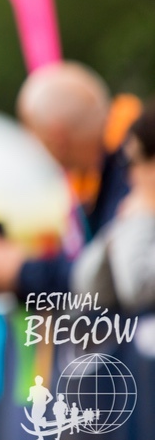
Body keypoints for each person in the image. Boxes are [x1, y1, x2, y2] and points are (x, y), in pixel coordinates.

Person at [0, 61, 131, 297]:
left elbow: (105, 273)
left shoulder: (135, 170)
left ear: (58, 138)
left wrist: (22, 270)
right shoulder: (112, 164)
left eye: (39, 141)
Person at [72, 96, 155, 312]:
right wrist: (119, 229)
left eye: (133, 162)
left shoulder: (145, 215)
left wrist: (141, 218)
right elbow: (89, 286)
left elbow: (138, 286)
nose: (129, 175)